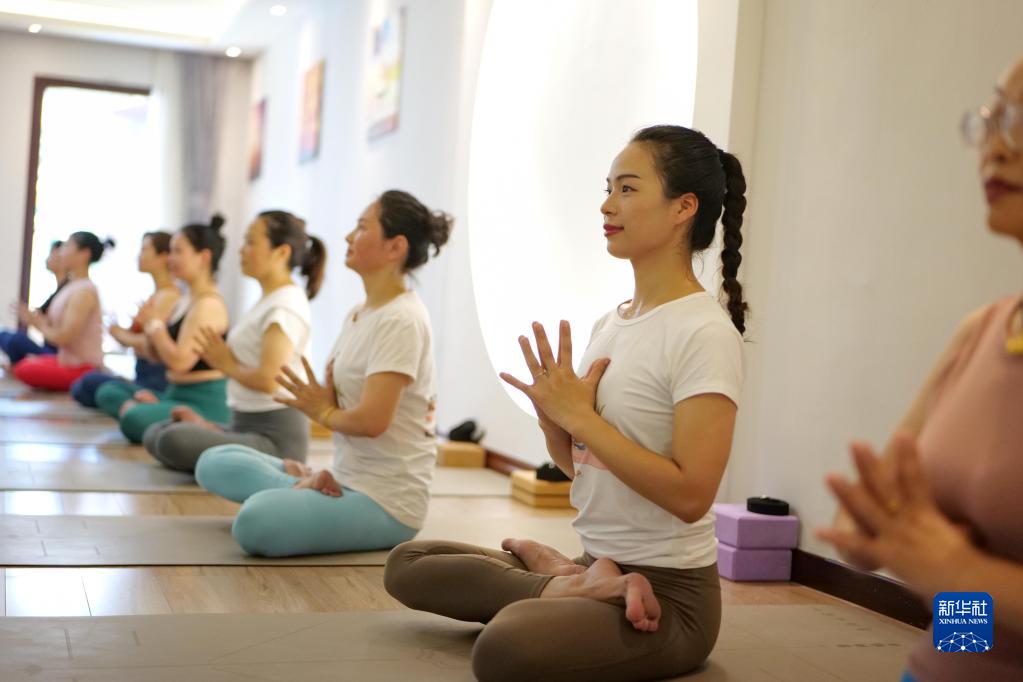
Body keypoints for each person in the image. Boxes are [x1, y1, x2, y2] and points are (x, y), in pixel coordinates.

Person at [384, 125, 748, 682]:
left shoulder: (704, 332)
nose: (607, 204)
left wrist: (580, 417)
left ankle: (562, 587)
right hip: (595, 565)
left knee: (504, 648)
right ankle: (569, 584)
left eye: (628, 188)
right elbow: (583, 467)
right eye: (608, 188)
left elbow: (692, 495)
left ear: (684, 207)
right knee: (408, 563)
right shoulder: (611, 323)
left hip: (671, 599)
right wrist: (555, 422)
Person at [817, 57, 1023, 682]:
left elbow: (961, 563)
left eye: (1020, 121)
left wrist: (958, 568)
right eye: (993, 119)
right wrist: (880, 529)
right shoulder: (984, 330)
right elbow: (894, 522)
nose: (994, 147)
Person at [194, 190, 449, 557]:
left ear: (395, 247)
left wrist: (322, 411)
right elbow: (343, 406)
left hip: (387, 502)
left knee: (255, 522)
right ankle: (306, 484)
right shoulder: (359, 313)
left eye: (362, 227)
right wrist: (324, 412)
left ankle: (299, 490)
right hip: (344, 478)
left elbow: (372, 422)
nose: (348, 237)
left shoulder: (402, 320)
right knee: (214, 462)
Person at [142, 211, 325, 472]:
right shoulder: (269, 300)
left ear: (281, 253)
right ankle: (218, 433)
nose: (241, 250)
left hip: (276, 440)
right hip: (243, 425)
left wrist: (226, 364)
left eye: (250, 242)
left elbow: (269, 380)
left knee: (172, 440)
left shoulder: (285, 304)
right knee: (156, 434)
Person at [94, 215, 230, 443]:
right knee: (108, 391)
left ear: (204, 257)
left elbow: (179, 362)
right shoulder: (185, 300)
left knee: (134, 419)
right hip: (173, 393)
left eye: (178, 251)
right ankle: (154, 413)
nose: (171, 258)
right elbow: (155, 355)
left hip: (202, 403)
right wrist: (149, 328)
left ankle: (158, 417)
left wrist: (155, 325)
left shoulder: (208, 304)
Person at [70, 231, 179, 407]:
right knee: (82, 387)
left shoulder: (168, 297)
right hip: (143, 376)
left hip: (155, 381)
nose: (139, 256)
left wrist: (119, 333)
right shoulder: (157, 295)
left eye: (145, 250)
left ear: (163, 256)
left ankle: (141, 403)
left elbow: (149, 345)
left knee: (87, 384)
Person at [12, 233, 113, 391]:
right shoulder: (72, 286)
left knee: (24, 368)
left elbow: (65, 337)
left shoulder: (84, 292)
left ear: (84, 254)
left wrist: (38, 324)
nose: (61, 251)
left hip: (83, 367)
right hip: (65, 361)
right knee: (24, 363)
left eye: (67, 246)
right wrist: (36, 321)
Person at [0, 240, 67, 364]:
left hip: (58, 355)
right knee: (7, 336)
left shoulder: (69, 291)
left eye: (51, 254)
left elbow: (58, 329)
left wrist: (34, 320)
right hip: (49, 349)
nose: (47, 259)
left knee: (14, 340)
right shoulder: (59, 291)